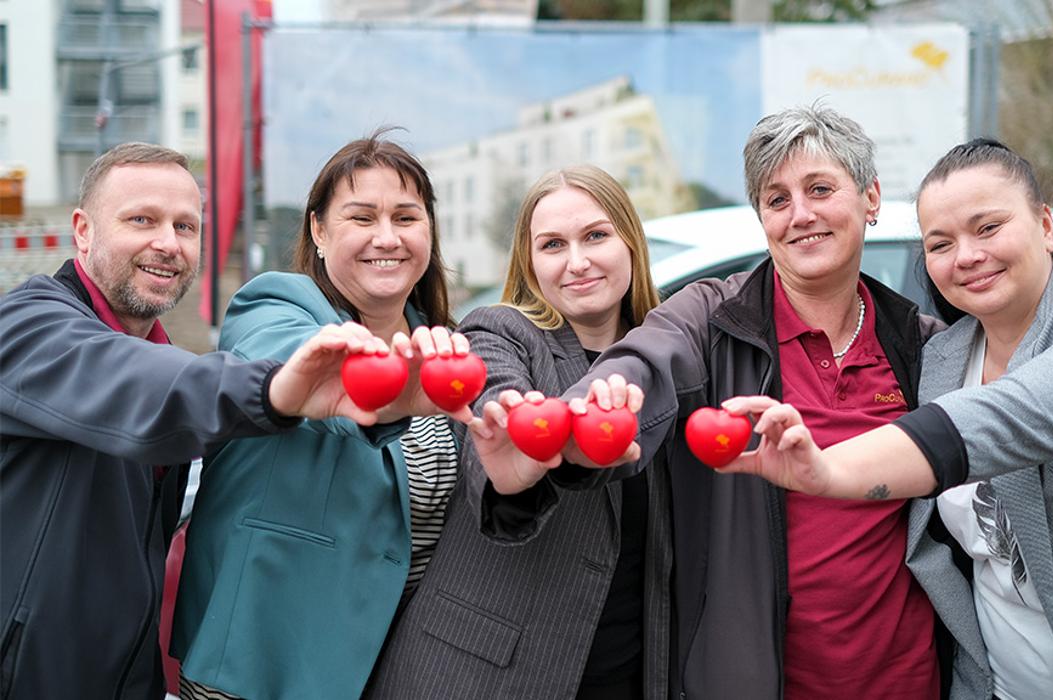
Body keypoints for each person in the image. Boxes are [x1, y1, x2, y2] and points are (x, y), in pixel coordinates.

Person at [484, 104, 1053, 698]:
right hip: (764, 677)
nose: (800, 213)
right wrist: (573, 423)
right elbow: (642, 366)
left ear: (871, 200)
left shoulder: (924, 344)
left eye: (820, 189)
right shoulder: (720, 317)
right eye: (776, 199)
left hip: (935, 676)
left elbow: (1026, 405)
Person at [715, 139, 1053, 698]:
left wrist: (826, 475)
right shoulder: (940, 357)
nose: (965, 256)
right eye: (940, 243)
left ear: (1044, 225)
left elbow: (1015, 415)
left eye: (988, 228)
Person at [0, 143, 410, 699]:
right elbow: (138, 382)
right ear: (82, 231)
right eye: (141, 220)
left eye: (186, 227)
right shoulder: (28, 326)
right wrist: (275, 390)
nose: (167, 244)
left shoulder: (154, 352)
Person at [172, 133, 472, 700]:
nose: (387, 237)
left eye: (406, 217)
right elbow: (294, 368)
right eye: (362, 217)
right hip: (264, 666)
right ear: (318, 229)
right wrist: (364, 385)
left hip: (402, 672)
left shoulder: (447, 350)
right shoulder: (274, 307)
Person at [367, 165, 669, 699]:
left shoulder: (666, 353)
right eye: (553, 245)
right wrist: (522, 467)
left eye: (596, 236)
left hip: (626, 670)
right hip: (481, 674)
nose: (578, 262)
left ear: (631, 242)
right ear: (529, 264)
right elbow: (495, 434)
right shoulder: (498, 333)